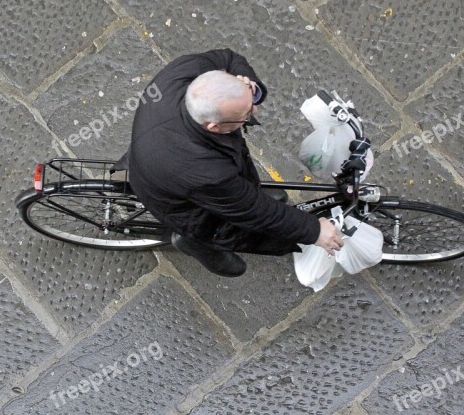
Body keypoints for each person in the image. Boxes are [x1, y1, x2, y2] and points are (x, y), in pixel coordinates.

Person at [127, 49, 343, 277]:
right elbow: (254, 210)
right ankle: (193, 242)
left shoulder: (183, 71)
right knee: (240, 227)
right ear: (214, 127)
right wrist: (315, 231)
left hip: (157, 151)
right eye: (246, 114)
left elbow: (228, 58)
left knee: (243, 187)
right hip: (178, 200)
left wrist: (248, 85)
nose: (255, 110)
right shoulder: (206, 172)